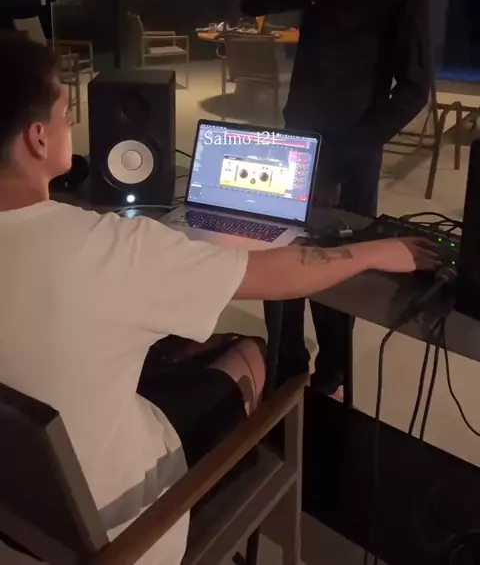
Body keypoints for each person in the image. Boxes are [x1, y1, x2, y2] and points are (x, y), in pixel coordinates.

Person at [0, 32, 437, 565]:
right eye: (67, 114)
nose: (72, 125)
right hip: (130, 533)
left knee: (171, 344)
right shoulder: (108, 248)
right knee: (251, 351)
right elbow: (275, 273)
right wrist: (376, 250)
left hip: (21, 513)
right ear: (38, 139)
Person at [241, 0, 431, 394]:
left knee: (337, 269)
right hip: (297, 137)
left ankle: (334, 371)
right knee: (278, 254)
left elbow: (413, 88)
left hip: (353, 149)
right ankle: (286, 365)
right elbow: (252, 1)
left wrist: (342, 160)